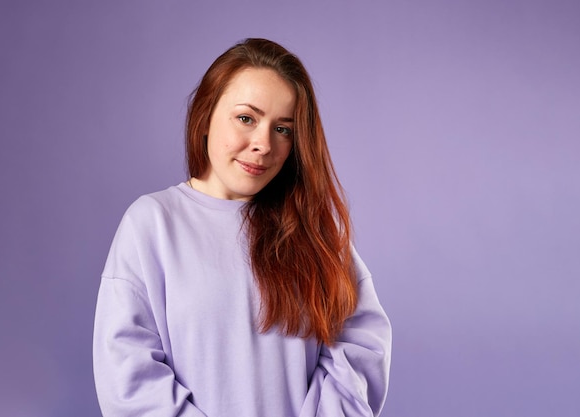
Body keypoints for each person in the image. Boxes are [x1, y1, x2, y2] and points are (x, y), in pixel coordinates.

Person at [93, 38, 391, 417]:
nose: (263, 144)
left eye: (283, 129)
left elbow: (362, 346)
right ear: (205, 116)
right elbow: (128, 374)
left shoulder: (313, 231)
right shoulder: (152, 223)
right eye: (246, 118)